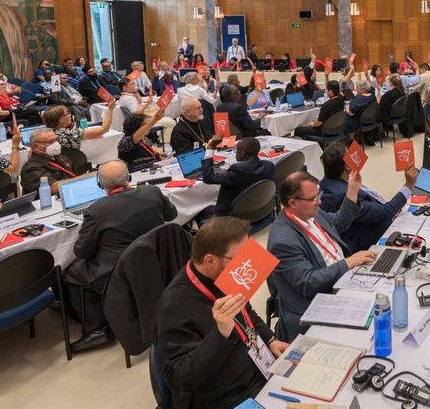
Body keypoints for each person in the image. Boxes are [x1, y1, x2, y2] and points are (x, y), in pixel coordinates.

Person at [157, 217, 287, 408]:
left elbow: (247, 313)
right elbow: (181, 379)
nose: (247, 263)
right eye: (240, 257)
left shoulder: (226, 275)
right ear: (210, 260)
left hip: (258, 370)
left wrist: (270, 339)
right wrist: (220, 333)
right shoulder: (174, 306)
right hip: (223, 395)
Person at [65, 160, 177, 352]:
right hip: (156, 263)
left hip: (119, 274)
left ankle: (97, 329)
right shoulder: (152, 192)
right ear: (130, 178)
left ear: (100, 185)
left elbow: (82, 251)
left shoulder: (97, 210)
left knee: (70, 272)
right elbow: (172, 215)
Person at [267, 170, 375, 341]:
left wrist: (352, 190)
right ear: (293, 203)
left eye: (318, 195)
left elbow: (339, 222)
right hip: (319, 303)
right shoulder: (283, 241)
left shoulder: (311, 212)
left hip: (342, 282)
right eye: (313, 198)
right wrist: (348, 262)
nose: (319, 201)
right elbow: (308, 282)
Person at [319, 142, 413, 252]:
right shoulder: (347, 195)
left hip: (371, 221)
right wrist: (409, 185)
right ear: (347, 166)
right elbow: (384, 212)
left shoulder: (325, 183)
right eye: (351, 154)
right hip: (370, 242)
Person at [201, 136, 274, 217]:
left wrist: (210, 148)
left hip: (232, 216)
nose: (235, 153)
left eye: (236, 150)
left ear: (242, 153)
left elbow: (208, 178)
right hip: (259, 209)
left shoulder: (238, 170)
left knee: (199, 210)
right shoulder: (269, 166)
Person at [20, 128, 79, 194]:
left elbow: (72, 176)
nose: (56, 144)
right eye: (51, 142)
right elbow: (53, 188)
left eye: (56, 140)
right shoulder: (31, 169)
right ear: (36, 146)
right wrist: (82, 180)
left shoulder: (62, 158)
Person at [42, 101, 115, 151]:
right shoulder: (72, 134)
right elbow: (104, 129)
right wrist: (110, 109)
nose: (70, 115)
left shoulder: (44, 135)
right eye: (67, 113)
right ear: (60, 119)